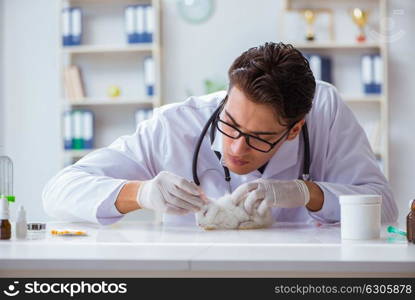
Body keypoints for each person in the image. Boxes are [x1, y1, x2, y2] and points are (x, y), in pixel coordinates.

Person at [42, 42, 398, 226]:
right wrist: (142, 193)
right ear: (227, 98)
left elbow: (384, 207)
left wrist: (309, 193)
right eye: (230, 124)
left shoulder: (325, 110)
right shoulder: (174, 125)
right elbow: (58, 193)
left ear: (295, 129)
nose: (237, 148)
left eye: (260, 137)